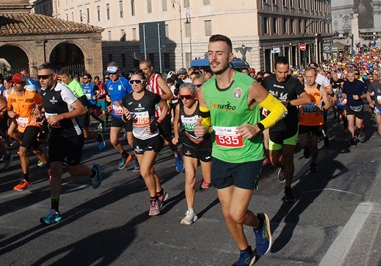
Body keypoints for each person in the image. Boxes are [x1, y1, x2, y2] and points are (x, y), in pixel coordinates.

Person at [193, 34, 287, 265]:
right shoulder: (205, 90)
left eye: (219, 53)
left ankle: (258, 224)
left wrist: (258, 126)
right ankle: (246, 253)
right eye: (210, 53)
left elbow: (279, 109)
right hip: (221, 155)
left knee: (237, 213)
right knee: (227, 213)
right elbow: (205, 118)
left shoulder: (248, 85)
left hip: (248, 156)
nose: (213, 58)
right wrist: (201, 127)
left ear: (230, 56)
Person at [36, 63, 103, 225]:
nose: (41, 80)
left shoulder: (63, 90)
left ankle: (93, 173)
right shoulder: (43, 91)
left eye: (44, 77)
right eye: (39, 77)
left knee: (73, 171)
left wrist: (60, 117)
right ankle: (54, 210)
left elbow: (81, 110)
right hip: (56, 135)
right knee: (55, 170)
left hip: (72, 135)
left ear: (53, 76)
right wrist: (40, 115)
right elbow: (49, 108)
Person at [261, 57, 311, 202]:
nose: (283, 75)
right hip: (274, 126)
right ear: (274, 70)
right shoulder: (267, 81)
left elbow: (306, 99)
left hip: (290, 125)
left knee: (288, 157)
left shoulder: (293, 82)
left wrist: (289, 102)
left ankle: (288, 188)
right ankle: (282, 167)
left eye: (286, 72)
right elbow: (258, 97)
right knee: (274, 161)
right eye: (280, 72)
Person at [122, 71, 169, 216]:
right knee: (149, 171)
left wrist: (158, 122)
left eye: (138, 81)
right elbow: (125, 118)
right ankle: (160, 191)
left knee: (144, 171)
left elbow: (165, 108)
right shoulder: (127, 99)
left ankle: (154, 200)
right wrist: (125, 117)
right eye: (132, 82)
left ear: (144, 82)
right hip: (138, 138)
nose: (135, 85)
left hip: (152, 137)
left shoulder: (151, 97)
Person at [172, 82, 212, 225]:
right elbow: (176, 121)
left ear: (195, 96)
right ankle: (190, 211)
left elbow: (212, 123)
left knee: (208, 178)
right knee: (190, 179)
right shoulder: (179, 107)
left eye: (187, 97)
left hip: (205, 144)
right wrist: (176, 135)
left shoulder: (202, 106)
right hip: (189, 144)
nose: (184, 100)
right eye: (181, 97)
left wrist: (206, 128)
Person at [139, 59, 183, 173]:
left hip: (162, 113)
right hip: (148, 115)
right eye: (142, 69)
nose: (144, 72)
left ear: (151, 68)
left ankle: (177, 155)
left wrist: (156, 98)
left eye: (146, 69)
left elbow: (169, 94)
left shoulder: (157, 79)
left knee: (167, 140)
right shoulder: (142, 81)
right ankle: (145, 166)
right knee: (147, 139)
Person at [7, 72, 48, 191]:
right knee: (36, 149)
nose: (14, 84)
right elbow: (9, 109)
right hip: (21, 126)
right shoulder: (11, 97)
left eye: (17, 82)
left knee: (22, 151)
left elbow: (41, 101)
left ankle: (26, 180)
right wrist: (10, 113)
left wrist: (38, 109)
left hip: (32, 124)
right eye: (13, 82)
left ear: (23, 84)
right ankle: (50, 168)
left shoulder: (31, 95)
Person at [59, 68, 105, 150]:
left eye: (64, 77)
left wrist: (76, 106)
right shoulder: (63, 84)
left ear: (69, 76)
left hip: (81, 111)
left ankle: (98, 136)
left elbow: (83, 98)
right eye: (61, 78)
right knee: (71, 132)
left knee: (85, 135)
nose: (62, 80)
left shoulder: (75, 84)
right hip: (71, 112)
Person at [298, 68, 331, 173]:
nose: (309, 79)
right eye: (307, 77)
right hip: (303, 121)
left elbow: (328, 103)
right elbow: (296, 101)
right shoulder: (301, 88)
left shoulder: (320, 88)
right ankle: (306, 148)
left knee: (314, 143)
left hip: (317, 121)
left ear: (315, 76)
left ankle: (313, 162)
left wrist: (323, 108)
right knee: (303, 143)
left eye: (311, 77)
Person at [104, 62, 134, 169]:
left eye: (113, 73)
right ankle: (125, 155)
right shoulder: (108, 83)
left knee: (131, 141)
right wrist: (110, 106)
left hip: (127, 115)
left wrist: (121, 102)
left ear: (118, 72)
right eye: (109, 74)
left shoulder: (125, 82)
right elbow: (111, 98)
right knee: (113, 141)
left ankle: (139, 160)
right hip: (115, 115)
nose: (111, 76)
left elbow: (132, 96)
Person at [342, 68, 368, 147]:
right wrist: (342, 97)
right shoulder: (345, 84)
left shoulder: (360, 84)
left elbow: (367, 94)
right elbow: (344, 92)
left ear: (355, 76)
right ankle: (352, 139)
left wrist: (360, 97)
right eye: (348, 76)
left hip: (359, 105)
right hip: (349, 105)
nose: (350, 78)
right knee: (350, 123)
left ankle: (358, 131)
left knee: (359, 125)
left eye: (352, 76)